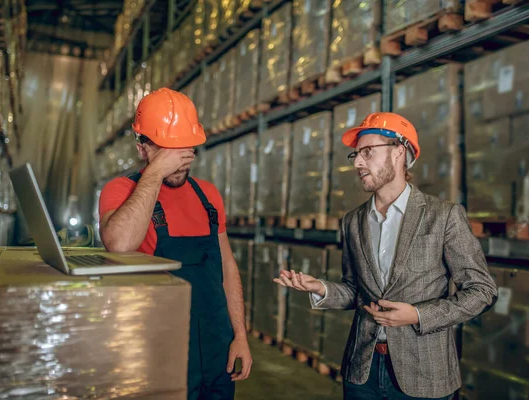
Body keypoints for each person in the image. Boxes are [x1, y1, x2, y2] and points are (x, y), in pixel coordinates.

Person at [274, 112, 497, 400]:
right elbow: (358, 292)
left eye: (367, 152)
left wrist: (417, 315)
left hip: (425, 375)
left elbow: (482, 291)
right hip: (362, 373)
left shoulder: (444, 216)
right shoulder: (353, 221)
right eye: (355, 155)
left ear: (398, 153)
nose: (357, 163)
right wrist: (321, 288)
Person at [99, 88, 252, 399]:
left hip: (215, 346)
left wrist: (240, 335)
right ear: (142, 148)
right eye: (168, 152)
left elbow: (227, 267)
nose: (180, 164)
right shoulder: (121, 191)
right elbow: (119, 244)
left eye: (186, 151)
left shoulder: (207, 194)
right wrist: (155, 174)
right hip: (156, 347)